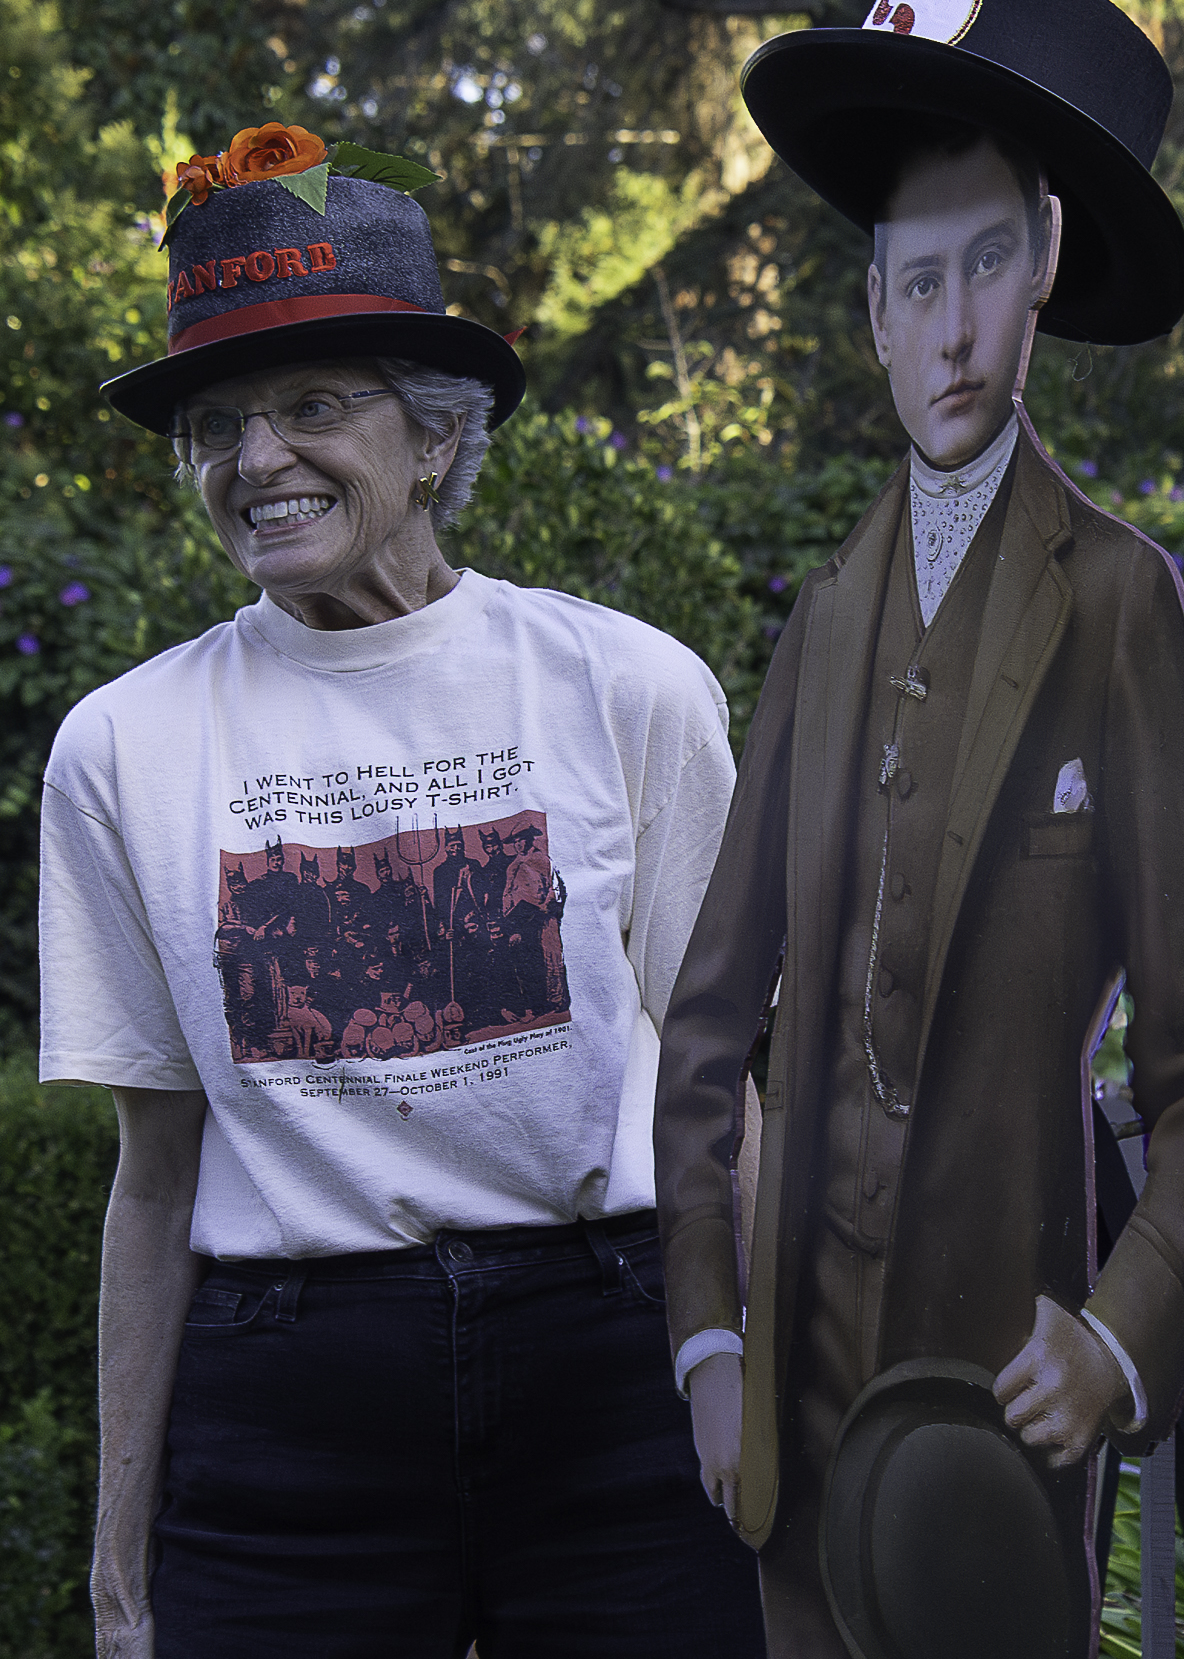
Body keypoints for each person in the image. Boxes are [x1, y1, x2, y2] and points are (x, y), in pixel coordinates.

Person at [38, 123, 765, 1658]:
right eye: (218, 425)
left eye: (312, 405)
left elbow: (725, 1098)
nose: (257, 460)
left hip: (616, 1367)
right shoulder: (122, 748)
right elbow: (152, 1178)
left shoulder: (628, 687)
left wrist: (772, 1398)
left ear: (434, 437)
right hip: (288, 1414)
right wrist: (118, 1569)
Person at [652, 0, 1184, 1657]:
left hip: (992, 1432)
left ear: (1047, 261)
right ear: (873, 313)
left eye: (987, 267)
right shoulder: (823, 619)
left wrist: (1124, 1331)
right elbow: (706, 1028)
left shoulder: (1122, 605)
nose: (952, 333)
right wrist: (708, 1339)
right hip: (790, 1429)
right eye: (916, 284)